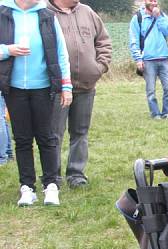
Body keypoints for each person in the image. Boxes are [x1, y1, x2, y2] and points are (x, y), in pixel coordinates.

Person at [0, 0, 72, 207]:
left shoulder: (47, 16)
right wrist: (7, 50)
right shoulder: (3, 14)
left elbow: (61, 54)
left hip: (43, 87)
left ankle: (51, 186)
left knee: (47, 137)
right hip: (13, 88)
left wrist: (66, 86)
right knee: (22, 139)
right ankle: (27, 188)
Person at [47, 0, 111, 189]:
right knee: (54, 134)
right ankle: (53, 177)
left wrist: (99, 67)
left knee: (80, 132)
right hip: (56, 87)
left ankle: (76, 175)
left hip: (86, 85)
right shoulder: (44, 13)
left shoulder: (88, 12)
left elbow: (104, 41)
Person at [128, 0, 168, 119]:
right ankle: (155, 114)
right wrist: (138, 59)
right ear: (145, 2)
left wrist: (158, 17)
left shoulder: (162, 15)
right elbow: (134, 40)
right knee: (151, 90)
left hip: (164, 58)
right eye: (151, 0)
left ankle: (167, 112)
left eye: (155, 0)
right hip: (148, 60)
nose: (153, 2)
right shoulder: (138, 18)